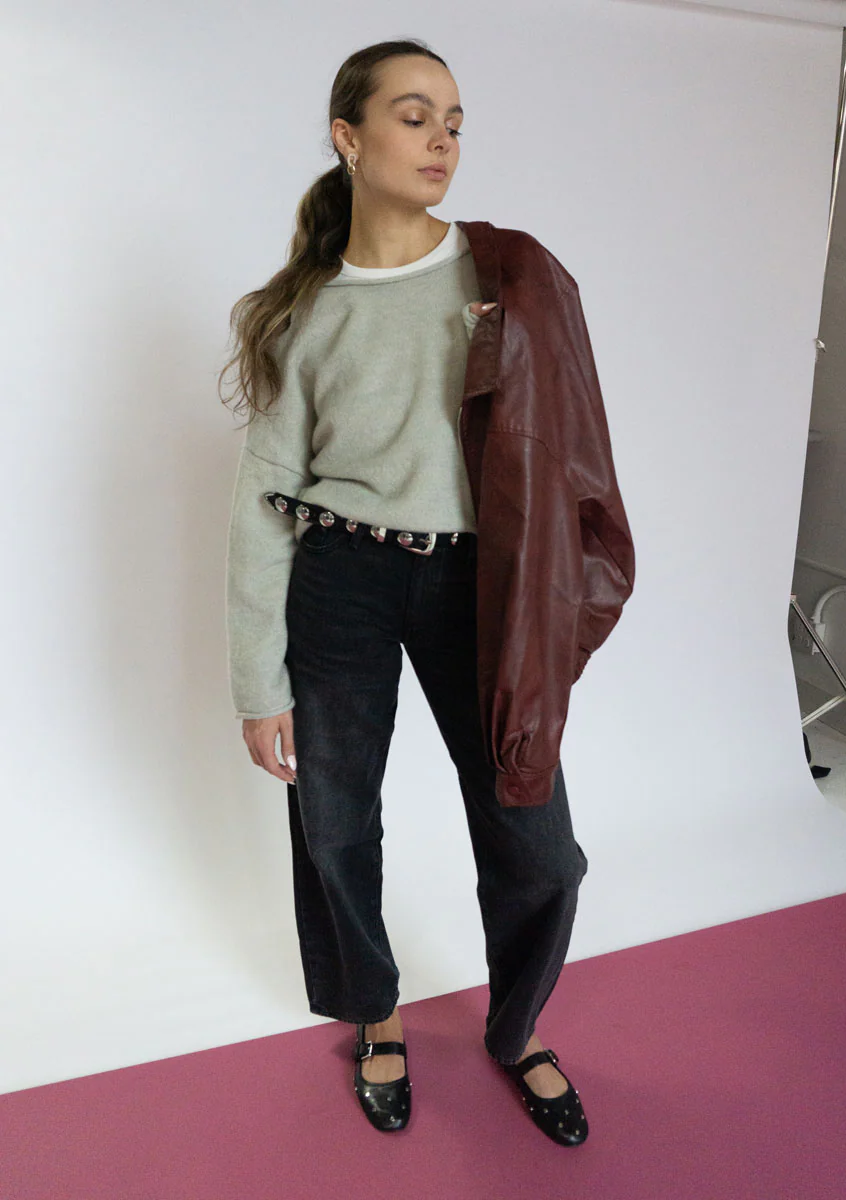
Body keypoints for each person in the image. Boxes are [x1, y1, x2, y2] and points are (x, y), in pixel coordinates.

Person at [220, 39, 591, 1145]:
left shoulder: (505, 277)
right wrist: (256, 681)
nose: (443, 141)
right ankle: (373, 1011)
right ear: (349, 136)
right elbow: (262, 499)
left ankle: (515, 1029)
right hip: (339, 578)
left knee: (536, 840)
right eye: (415, 115)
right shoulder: (297, 309)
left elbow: (564, 443)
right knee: (334, 822)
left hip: (478, 581)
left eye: (455, 122)